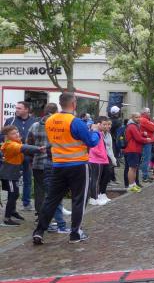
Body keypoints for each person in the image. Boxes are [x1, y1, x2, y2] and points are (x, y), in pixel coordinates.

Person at [32, 92, 101, 245]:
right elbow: (91, 142)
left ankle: (39, 231)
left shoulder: (50, 120)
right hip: (78, 165)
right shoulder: (75, 121)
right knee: (79, 199)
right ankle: (75, 233)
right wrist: (96, 131)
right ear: (74, 103)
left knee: (51, 199)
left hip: (58, 164)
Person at [26, 103, 68, 232]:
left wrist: (32, 159)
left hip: (38, 163)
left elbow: (29, 144)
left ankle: (40, 217)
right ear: (55, 112)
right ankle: (52, 220)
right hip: (55, 162)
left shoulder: (34, 125)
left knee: (40, 192)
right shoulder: (57, 126)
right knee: (53, 193)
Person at [1, 126, 43, 226]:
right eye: (13, 133)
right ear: (7, 136)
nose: (17, 134)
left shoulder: (16, 142)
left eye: (17, 132)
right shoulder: (10, 145)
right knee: (14, 194)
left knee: (14, 194)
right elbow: (24, 148)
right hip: (8, 174)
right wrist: (39, 149)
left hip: (13, 173)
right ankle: (6, 219)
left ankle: (12, 212)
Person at [2, 101, 37, 212]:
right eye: (16, 108)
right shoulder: (10, 120)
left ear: (26, 109)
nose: (16, 110)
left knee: (27, 180)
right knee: (13, 181)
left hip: (27, 157)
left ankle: (26, 203)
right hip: (13, 157)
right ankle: (11, 206)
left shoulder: (34, 121)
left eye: (19, 108)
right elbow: (3, 137)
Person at [88, 116, 114, 206]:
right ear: (98, 124)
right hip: (96, 160)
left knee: (98, 179)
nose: (106, 126)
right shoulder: (95, 133)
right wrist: (103, 155)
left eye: (107, 124)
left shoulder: (100, 133)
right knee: (95, 180)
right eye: (104, 124)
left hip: (100, 160)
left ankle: (98, 196)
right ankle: (93, 198)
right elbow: (94, 148)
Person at [124, 113, 153, 193]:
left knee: (134, 168)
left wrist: (143, 134)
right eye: (136, 117)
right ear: (132, 118)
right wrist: (146, 139)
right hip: (132, 149)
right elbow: (138, 138)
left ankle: (133, 184)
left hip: (135, 149)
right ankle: (131, 186)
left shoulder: (135, 126)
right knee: (132, 168)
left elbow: (137, 135)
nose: (138, 118)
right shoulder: (132, 126)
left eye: (139, 117)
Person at [138, 108, 154, 181]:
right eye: (148, 112)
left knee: (147, 158)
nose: (149, 113)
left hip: (147, 140)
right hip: (146, 141)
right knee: (146, 159)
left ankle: (146, 174)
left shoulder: (145, 119)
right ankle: (145, 176)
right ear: (144, 113)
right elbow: (153, 128)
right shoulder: (144, 120)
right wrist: (153, 124)